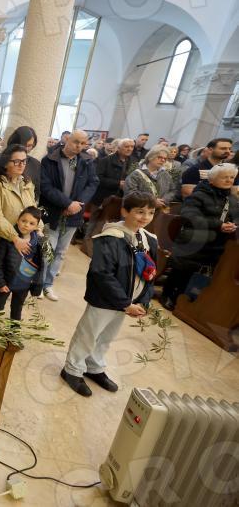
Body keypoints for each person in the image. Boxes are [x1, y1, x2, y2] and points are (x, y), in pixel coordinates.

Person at [60, 192, 158, 397]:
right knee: (88, 334)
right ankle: (72, 369)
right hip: (105, 299)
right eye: (140, 212)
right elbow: (102, 273)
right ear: (125, 211)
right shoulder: (111, 237)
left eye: (151, 212)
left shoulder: (148, 239)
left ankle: (94, 367)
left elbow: (150, 272)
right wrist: (125, 303)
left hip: (127, 302)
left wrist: (143, 301)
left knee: (107, 336)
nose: (145, 217)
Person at [161, 163, 238, 311]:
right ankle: (168, 295)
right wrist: (219, 225)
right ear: (212, 179)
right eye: (224, 177)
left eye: (232, 177)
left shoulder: (232, 199)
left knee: (199, 276)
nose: (229, 180)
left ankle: (187, 300)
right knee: (182, 271)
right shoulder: (199, 195)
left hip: (216, 244)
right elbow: (189, 217)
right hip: (193, 240)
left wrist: (233, 225)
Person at [40, 129, 100, 301]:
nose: (79, 146)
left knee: (60, 252)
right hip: (53, 211)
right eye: (76, 142)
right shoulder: (50, 159)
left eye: (83, 143)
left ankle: (48, 285)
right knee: (47, 250)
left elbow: (92, 184)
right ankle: (38, 284)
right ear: (67, 140)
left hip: (74, 214)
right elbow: (46, 187)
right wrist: (67, 203)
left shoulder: (87, 161)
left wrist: (78, 204)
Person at [0, 144, 40, 295]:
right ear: (5, 162)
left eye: (24, 161)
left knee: (5, 284)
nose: (21, 165)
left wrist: (38, 229)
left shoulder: (26, 183)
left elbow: (33, 210)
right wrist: (14, 237)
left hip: (16, 241)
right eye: (16, 161)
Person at [0, 206, 45, 321]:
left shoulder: (37, 242)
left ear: (36, 226)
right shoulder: (8, 239)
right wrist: (0, 283)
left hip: (23, 283)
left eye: (31, 223)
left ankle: (14, 329)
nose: (26, 225)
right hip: (6, 282)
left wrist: (36, 286)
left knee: (17, 308)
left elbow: (40, 265)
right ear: (18, 220)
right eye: (23, 221)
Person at [91, 138, 133, 206]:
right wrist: (118, 183)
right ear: (119, 148)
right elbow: (98, 178)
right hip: (103, 197)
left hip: (121, 198)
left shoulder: (133, 161)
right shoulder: (105, 160)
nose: (130, 149)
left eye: (132, 147)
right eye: (126, 146)